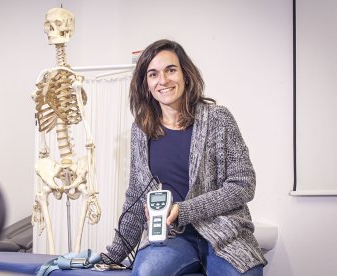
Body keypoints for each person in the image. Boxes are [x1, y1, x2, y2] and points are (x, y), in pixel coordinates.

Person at [100, 39, 267, 276]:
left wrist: (183, 210)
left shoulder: (218, 119)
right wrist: (112, 255)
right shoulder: (141, 129)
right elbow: (137, 197)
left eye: (171, 70)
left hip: (223, 231)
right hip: (170, 236)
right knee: (147, 272)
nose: (163, 80)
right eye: (153, 74)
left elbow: (243, 185)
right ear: (146, 84)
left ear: (185, 75)